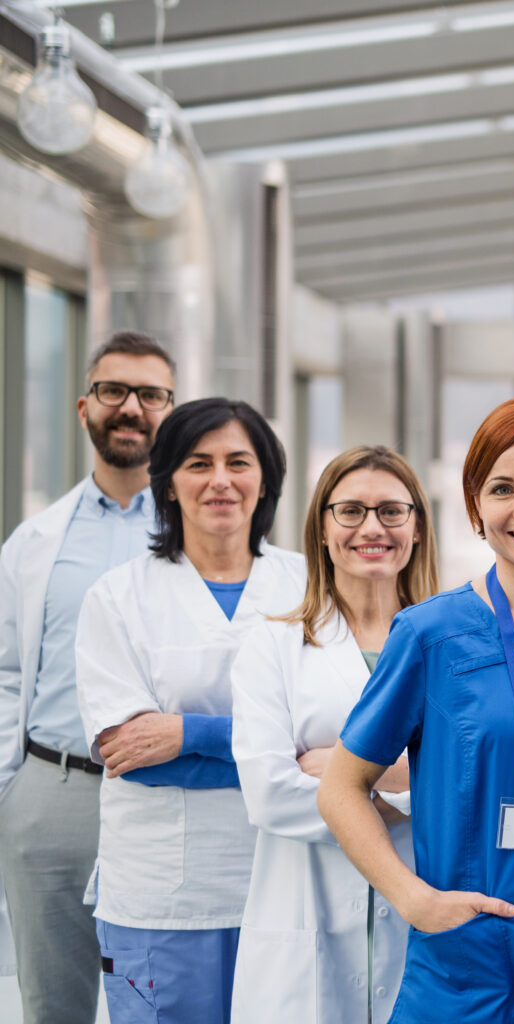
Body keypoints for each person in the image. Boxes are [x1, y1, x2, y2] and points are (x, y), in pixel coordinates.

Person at [319, 396, 514, 1022]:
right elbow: (342, 787)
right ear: (476, 505)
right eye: (502, 488)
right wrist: (414, 900)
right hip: (464, 969)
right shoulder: (430, 634)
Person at [73, 397, 306, 1023]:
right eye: (198, 464)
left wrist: (186, 732)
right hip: (161, 902)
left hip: (289, 887)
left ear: (266, 480)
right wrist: (283, 753)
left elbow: (345, 745)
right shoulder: (119, 597)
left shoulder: (310, 588)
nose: (221, 480)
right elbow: (133, 756)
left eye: (239, 462)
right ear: (169, 482)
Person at [0, 331, 176, 1023]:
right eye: (113, 391)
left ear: (172, 410)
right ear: (83, 408)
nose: (130, 407)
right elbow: (6, 670)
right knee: (53, 1006)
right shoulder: (36, 540)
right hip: (52, 793)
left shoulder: (203, 538)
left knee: (162, 1000)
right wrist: (13, 792)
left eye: (150, 394)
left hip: (164, 794)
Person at [229, 446, 438, 1022]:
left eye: (392, 511)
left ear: (417, 527)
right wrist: (415, 782)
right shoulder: (273, 646)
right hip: (304, 922)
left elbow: (473, 782)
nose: (372, 527)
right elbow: (269, 794)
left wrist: (345, 778)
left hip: (420, 913)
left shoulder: (453, 642)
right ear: (321, 528)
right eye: (350, 511)